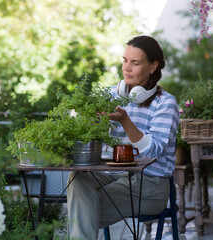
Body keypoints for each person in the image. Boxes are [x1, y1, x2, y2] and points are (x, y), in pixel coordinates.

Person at [67, 35, 180, 240]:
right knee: (78, 178)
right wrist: (90, 124)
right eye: (125, 60)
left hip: (149, 184)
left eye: (135, 63)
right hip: (110, 175)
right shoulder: (110, 95)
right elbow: (90, 136)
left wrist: (125, 121)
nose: (126, 68)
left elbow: (153, 150)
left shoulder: (166, 103)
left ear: (153, 66)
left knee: (80, 211)